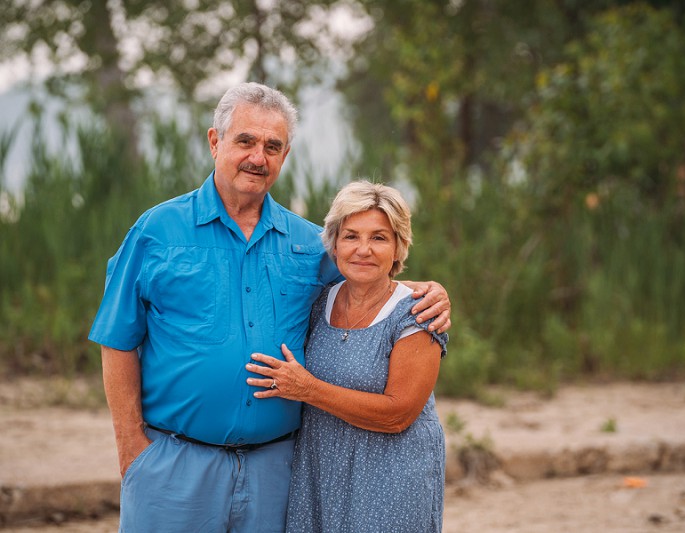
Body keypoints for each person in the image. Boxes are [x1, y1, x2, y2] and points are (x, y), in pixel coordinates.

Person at [88, 82, 451, 533]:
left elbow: (368, 274)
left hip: (277, 472)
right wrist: (131, 449)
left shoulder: (308, 243)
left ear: (285, 155)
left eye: (272, 146)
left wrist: (425, 290)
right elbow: (116, 339)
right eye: (245, 141)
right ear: (215, 141)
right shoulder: (156, 231)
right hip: (174, 467)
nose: (258, 157)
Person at [245, 181, 448, 533]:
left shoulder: (418, 314)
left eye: (379, 238)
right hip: (321, 469)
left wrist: (308, 389)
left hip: (391, 477)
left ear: (399, 247)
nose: (363, 250)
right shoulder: (320, 301)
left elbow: (397, 414)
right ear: (334, 245)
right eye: (351, 236)